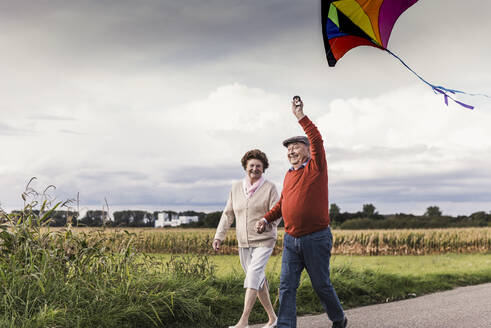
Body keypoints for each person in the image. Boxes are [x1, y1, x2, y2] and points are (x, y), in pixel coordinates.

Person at [255, 98, 348, 328]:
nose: (291, 151)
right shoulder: (289, 175)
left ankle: (339, 319)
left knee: (321, 285)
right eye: (288, 149)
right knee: (286, 285)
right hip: (291, 239)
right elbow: (283, 204)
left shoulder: (316, 167)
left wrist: (300, 116)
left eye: (296, 146)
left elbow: (316, 138)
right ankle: (285, 325)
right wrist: (267, 218)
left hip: (316, 238)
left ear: (308, 150)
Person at [213, 149, 281, 328]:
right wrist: (219, 236)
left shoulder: (270, 188)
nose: (255, 169)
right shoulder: (236, 188)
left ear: (263, 168)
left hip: (264, 240)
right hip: (243, 242)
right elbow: (228, 214)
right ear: (246, 167)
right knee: (258, 280)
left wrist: (266, 223)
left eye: (259, 166)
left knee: (253, 275)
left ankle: (243, 321)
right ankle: (273, 318)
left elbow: (278, 212)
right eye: (251, 165)